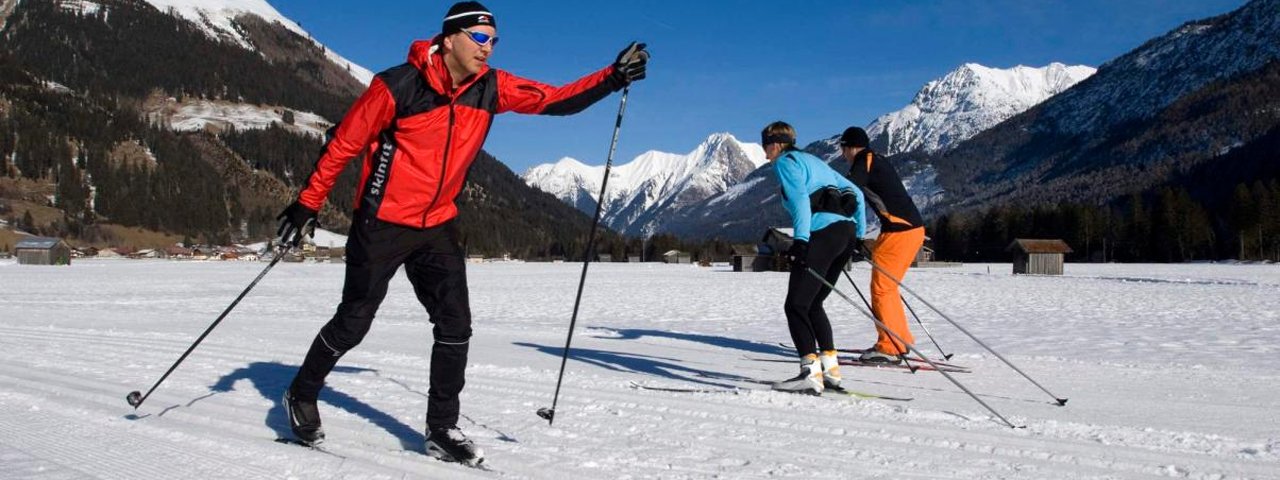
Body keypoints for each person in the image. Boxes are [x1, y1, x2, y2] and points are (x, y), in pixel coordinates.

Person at [273, 1, 648, 466]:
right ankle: (302, 392)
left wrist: (612, 77)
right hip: (382, 222)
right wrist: (308, 202)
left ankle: (441, 427)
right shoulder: (396, 87)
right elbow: (345, 143)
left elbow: (553, 99)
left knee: (455, 326)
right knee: (353, 321)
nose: (488, 49)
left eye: (494, 40)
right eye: (480, 38)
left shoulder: (490, 87)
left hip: (437, 225)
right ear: (449, 38)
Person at [762, 121, 865, 395]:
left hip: (822, 234)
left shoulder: (786, 162)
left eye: (765, 145)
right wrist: (860, 236)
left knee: (795, 305)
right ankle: (830, 371)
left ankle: (809, 373)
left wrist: (801, 241)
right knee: (813, 304)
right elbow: (857, 194)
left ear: (776, 143)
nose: (764, 153)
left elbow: (799, 201)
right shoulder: (815, 161)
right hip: (845, 233)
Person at [838, 127, 926, 364]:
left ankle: (890, 346)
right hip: (903, 230)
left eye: (843, 148)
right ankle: (899, 339)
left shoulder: (862, 160)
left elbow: (850, 191)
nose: (843, 154)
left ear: (849, 147)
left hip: (901, 231)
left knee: (882, 288)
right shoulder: (874, 159)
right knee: (886, 287)